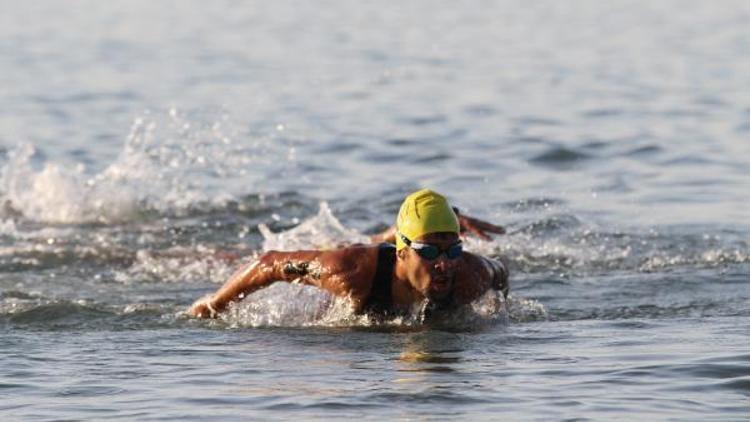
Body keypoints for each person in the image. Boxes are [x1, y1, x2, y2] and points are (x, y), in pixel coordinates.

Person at [189, 189, 509, 319]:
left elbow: (501, 275)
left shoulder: (469, 274)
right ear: (403, 252)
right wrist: (213, 305)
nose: (444, 264)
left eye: (453, 249)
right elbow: (269, 263)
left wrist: (497, 309)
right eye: (429, 251)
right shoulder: (348, 272)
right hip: (363, 258)